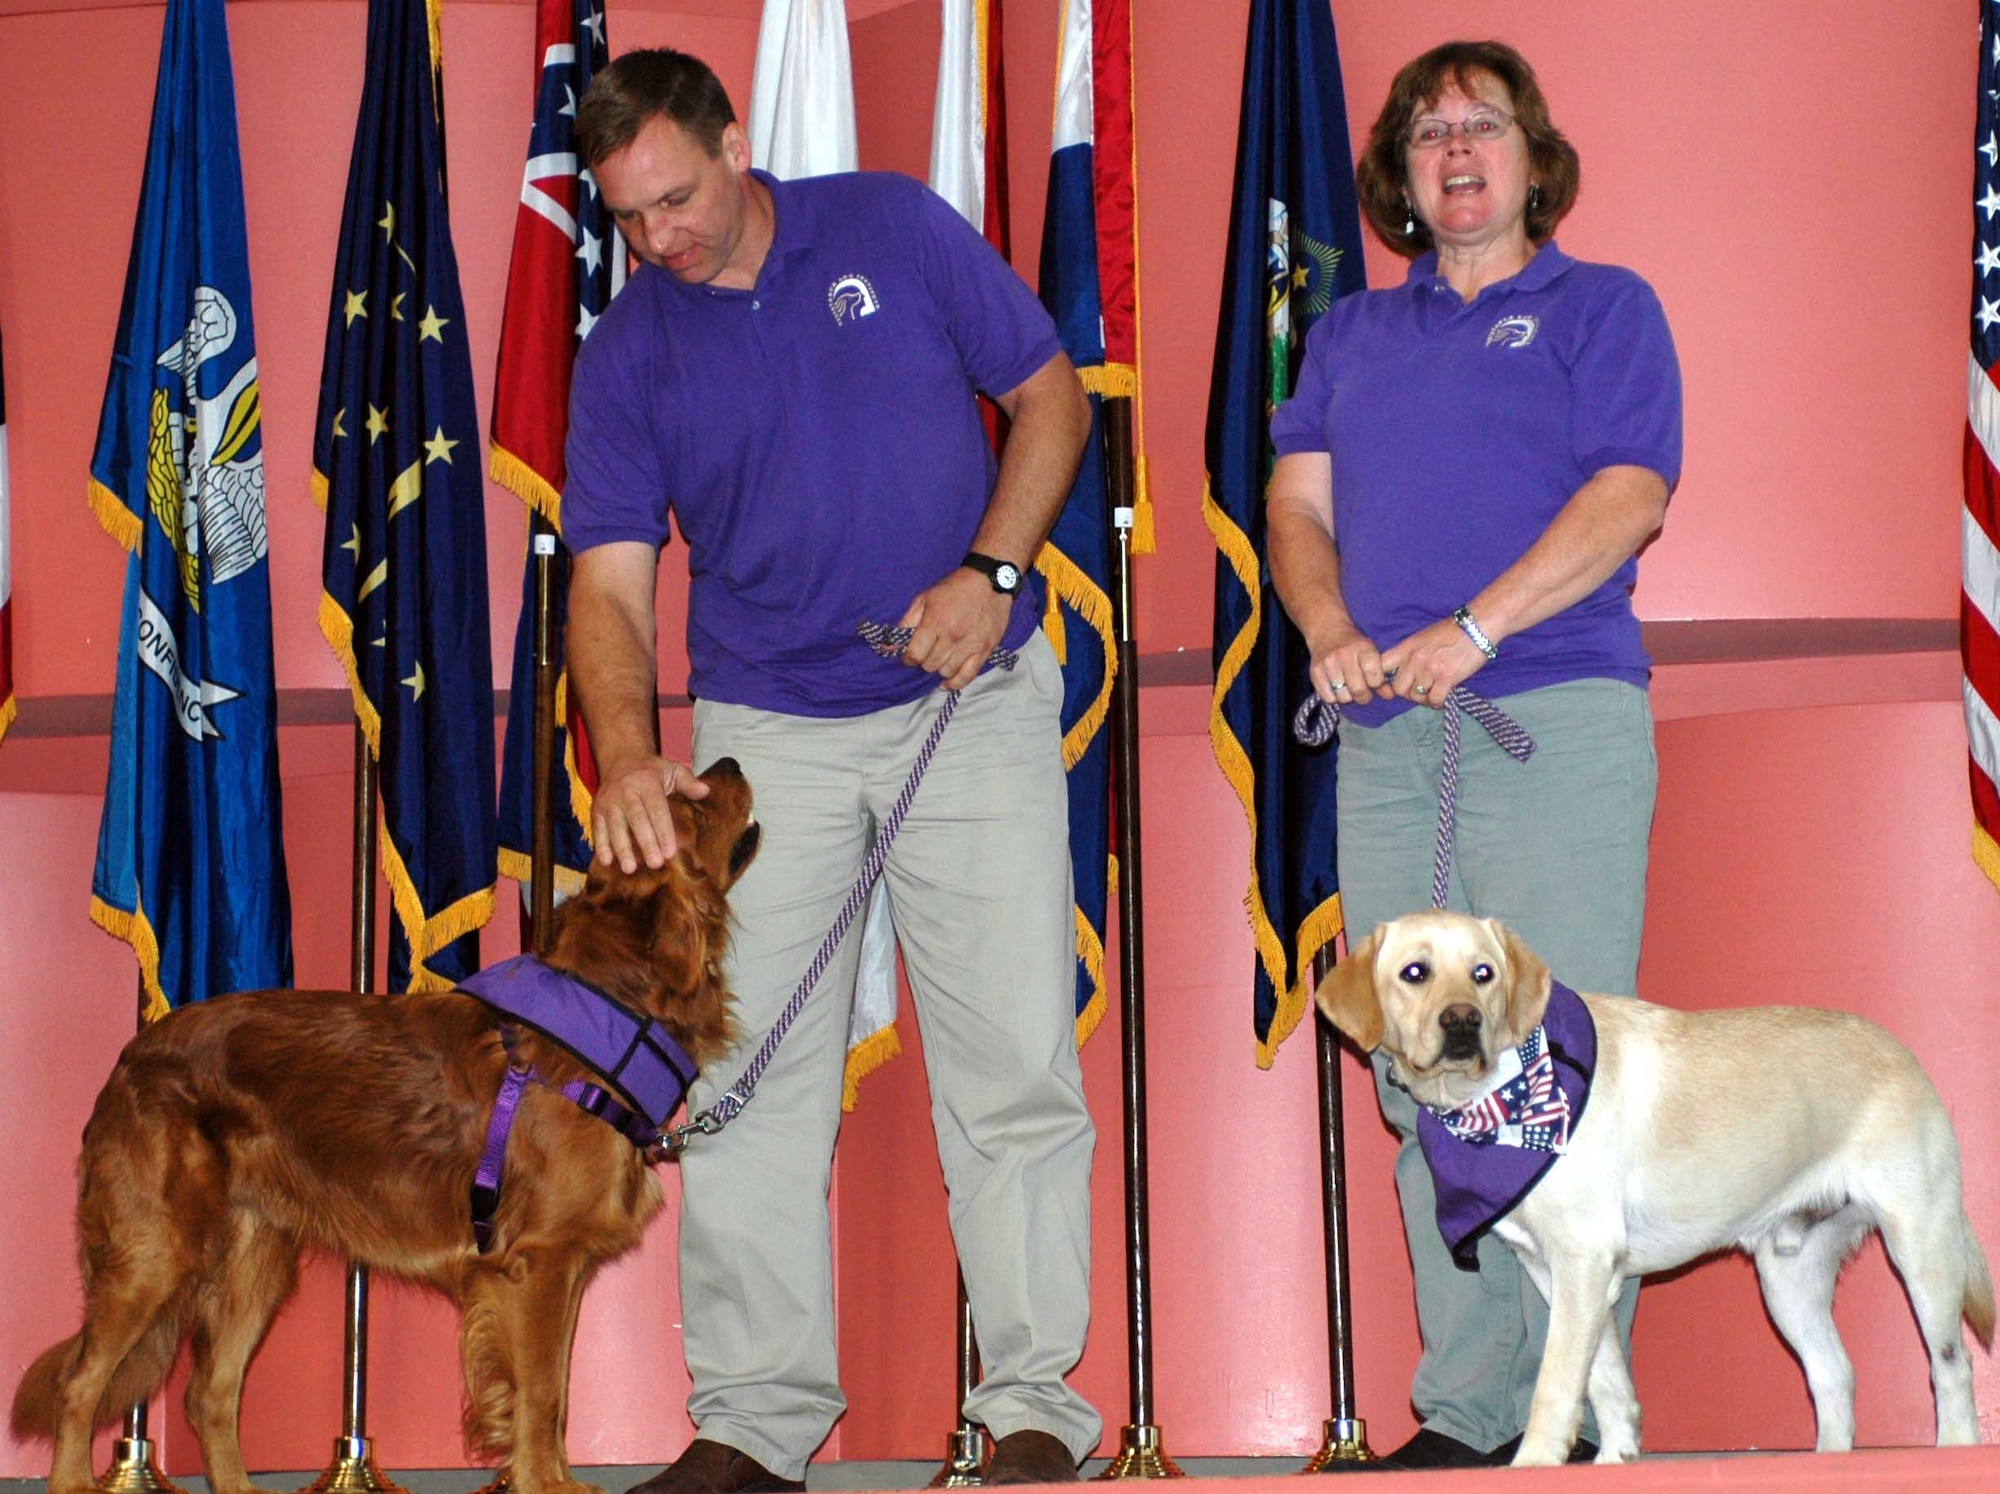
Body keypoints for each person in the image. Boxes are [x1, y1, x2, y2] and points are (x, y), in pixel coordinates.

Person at [562, 48, 1101, 1494]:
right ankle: (753, 1422)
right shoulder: (626, 354)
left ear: (736, 143)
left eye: (676, 198)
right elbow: (608, 588)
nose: (659, 239)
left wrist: (995, 568)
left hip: (966, 698)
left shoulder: (892, 224)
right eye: (629, 220)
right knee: (745, 1073)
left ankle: (1033, 1407)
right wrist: (623, 751)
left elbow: (1054, 399)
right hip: (767, 734)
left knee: (1013, 1068)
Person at [1266, 39, 1682, 1471]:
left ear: (1533, 157)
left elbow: (1632, 494)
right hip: (1388, 738)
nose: (1457, 151)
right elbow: (1295, 506)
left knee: (1552, 1074)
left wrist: (1475, 630)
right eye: (1429, 129)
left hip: (1550, 718)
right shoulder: (1348, 339)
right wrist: (1325, 626)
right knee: (1419, 1066)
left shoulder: (1603, 308)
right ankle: (1468, 1408)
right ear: (1396, 169)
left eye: (1483, 126)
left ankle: (1562, 1419)